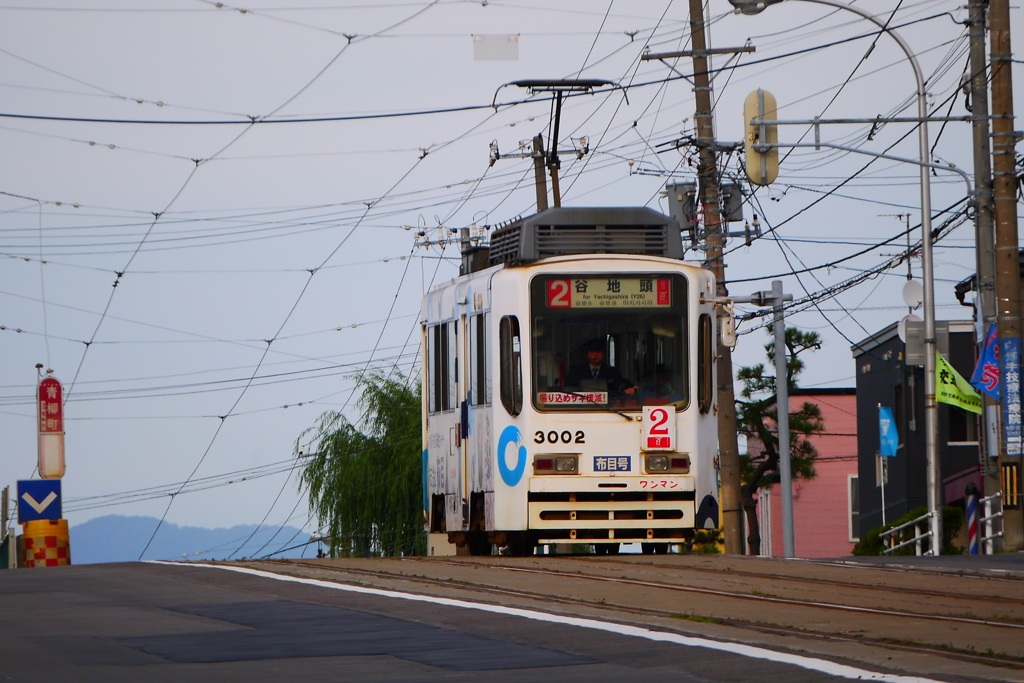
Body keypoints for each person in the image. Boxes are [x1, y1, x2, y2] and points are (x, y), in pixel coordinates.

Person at [566, 339, 637, 395]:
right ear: (586, 353)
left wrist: (626, 389)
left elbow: (619, 384)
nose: (596, 354)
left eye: (599, 351)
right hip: (580, 408)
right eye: (593, 351)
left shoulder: (611, 371)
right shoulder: (576, 370)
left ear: (603, 353)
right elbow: (568, 389)